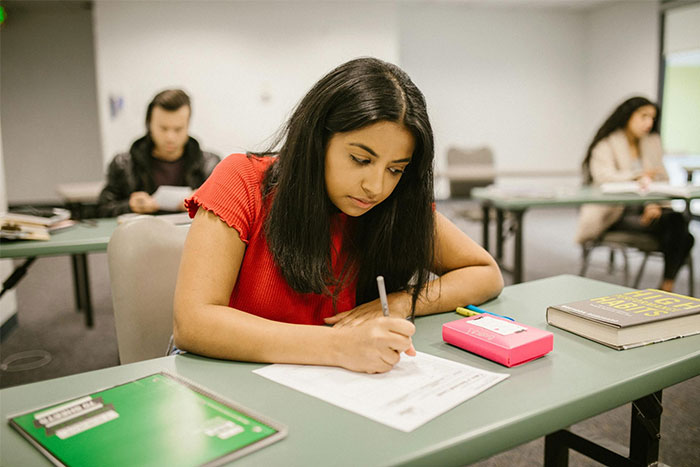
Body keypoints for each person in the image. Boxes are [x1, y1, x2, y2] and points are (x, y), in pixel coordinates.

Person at [173, 57, 504, 374]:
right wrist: (337, 345)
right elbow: (193, 323)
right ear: (318, 139)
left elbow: (485, 273)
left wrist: (402, 303)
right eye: (361, 159)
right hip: (233, 380)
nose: (376, 187)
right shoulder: (242, 180)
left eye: (395, 169)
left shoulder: (396, 203)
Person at [576, 96, 694, 292]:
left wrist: (653, 204)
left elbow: (660, 180)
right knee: (681, 231)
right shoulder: (606, 144)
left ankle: (666, 285)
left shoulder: (652, 143)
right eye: (643, 116)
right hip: (614, 213)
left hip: (648, 210)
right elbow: (603, 178)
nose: (649, 123)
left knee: (679, 228)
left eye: (652, 118)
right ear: (627, 116)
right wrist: (636, 176)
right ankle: (666, 287)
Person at [97, 89, 220, 217]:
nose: (170, 137)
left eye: (178, 129)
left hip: (192, 235)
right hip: (141, 235)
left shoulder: (210, 164)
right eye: (163, 128)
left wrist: (202, 203)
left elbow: (228, 211)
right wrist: (129, 206)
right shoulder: (123, 164)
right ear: (149, 124)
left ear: (188, 125)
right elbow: (102, 210)